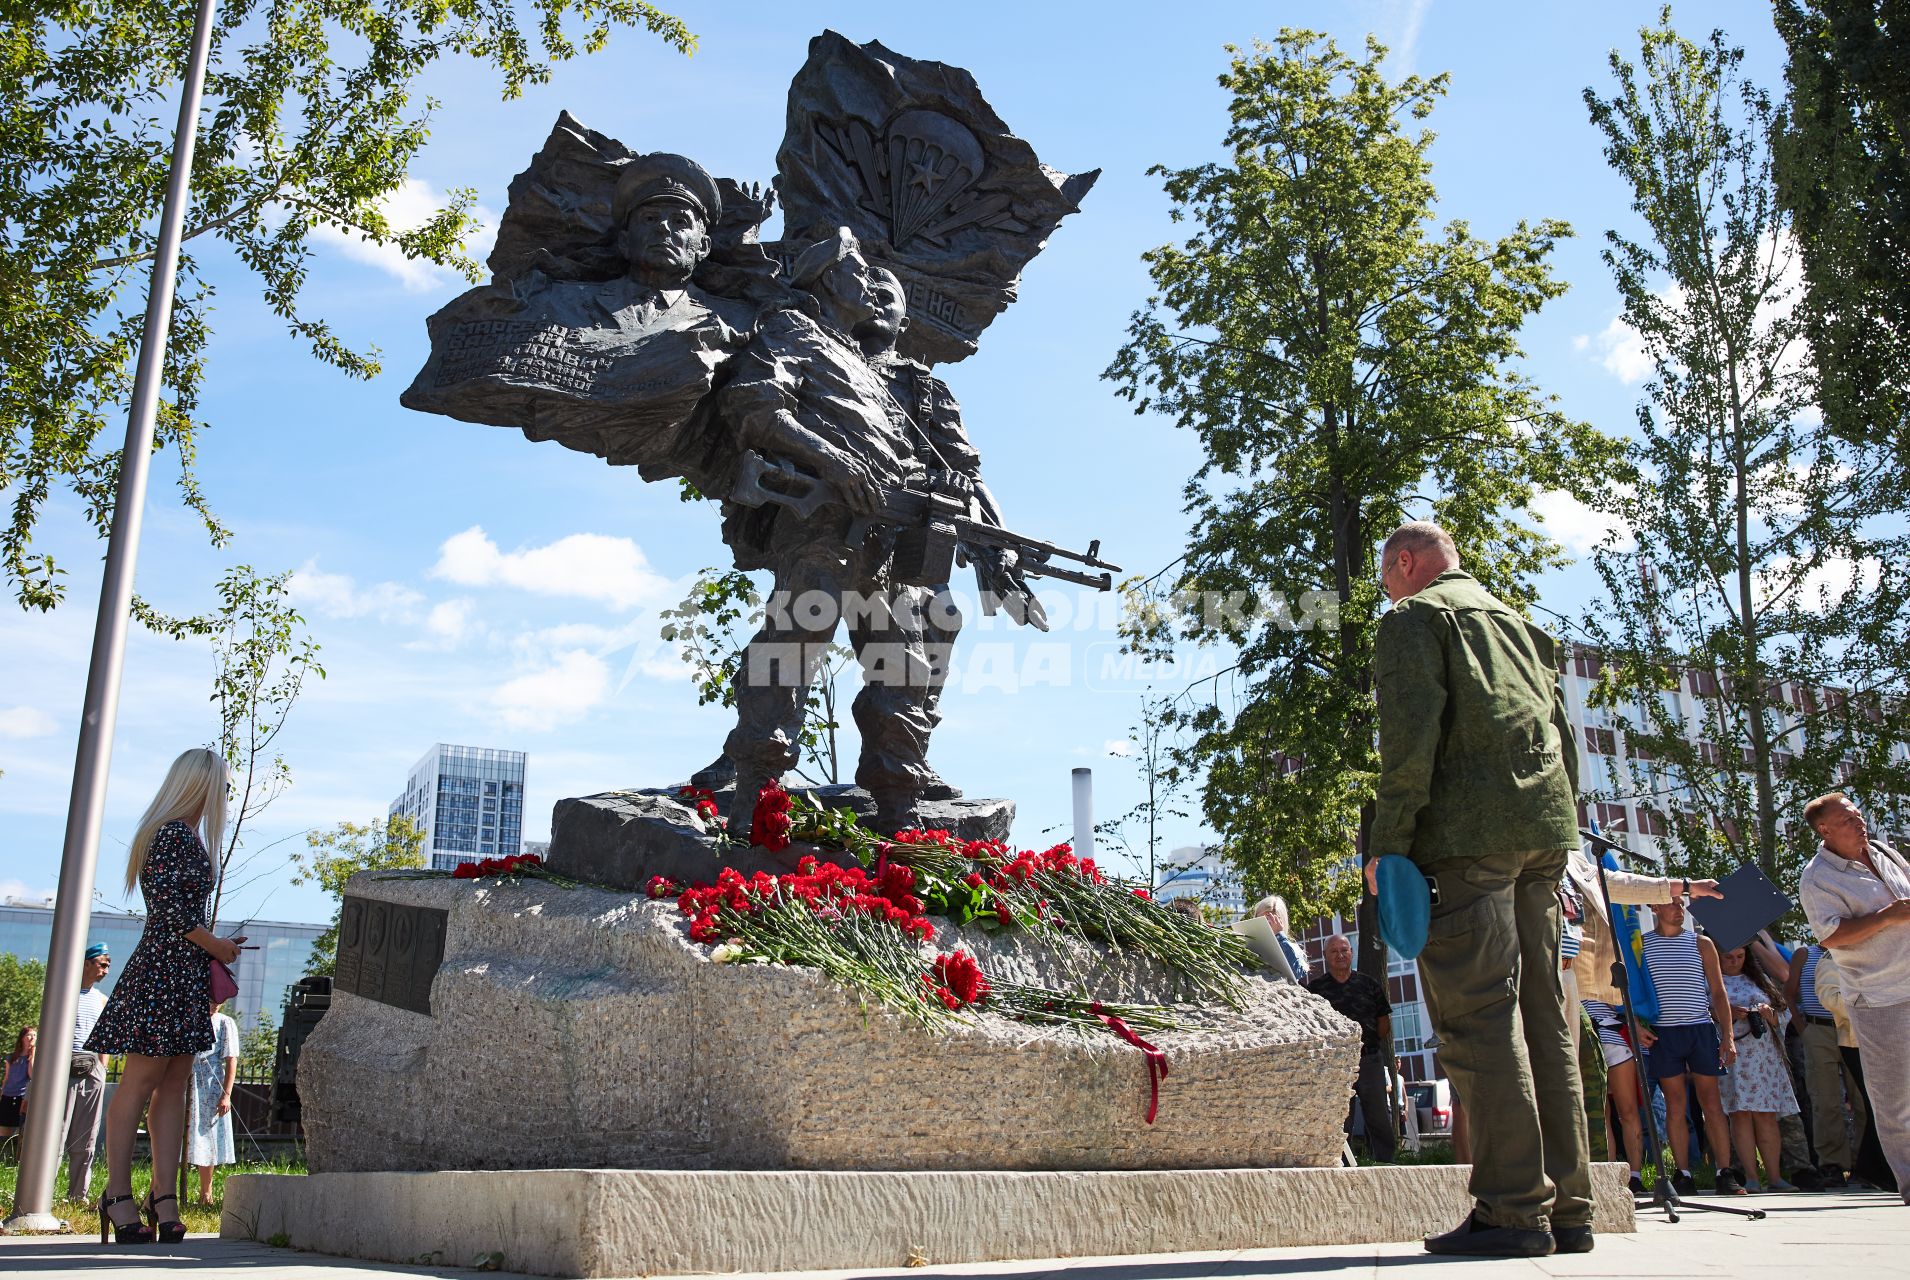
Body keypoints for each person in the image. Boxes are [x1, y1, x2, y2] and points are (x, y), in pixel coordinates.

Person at [1367, 521, 1589, 1257]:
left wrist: (1388, 844)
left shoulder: (1412, 619)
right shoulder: (1520, 625)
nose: (1387, 590)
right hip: (1544, 835)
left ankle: (1513, 1210)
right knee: (1545, 1021)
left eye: (1386, 576)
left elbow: (1409, 741)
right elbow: (1563, 736)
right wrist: (1564, 828)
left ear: (1405, 563)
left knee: (1479, 1023)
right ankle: (1570, 1208)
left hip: (1463, 843)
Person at [84, 747, 245, 1244]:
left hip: (181, 972)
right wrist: (216, 944)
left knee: (174, 1081)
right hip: (163, 972)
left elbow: (177, 911)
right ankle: (116, 1195)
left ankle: (162, 1195)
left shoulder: (183, 833)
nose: (225, 792)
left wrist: (213, 948)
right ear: (199, 784)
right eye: (221, 783)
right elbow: (173, 912)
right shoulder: (172, 833)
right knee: (144, 1078)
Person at [1562, 843, 1723, 1193]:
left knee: (1607, 1103)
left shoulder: (1577, 865)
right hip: (1552, 993)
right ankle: (1572, 1183)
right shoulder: (1523, 866)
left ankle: (1615, 1181)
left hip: (1598, 997)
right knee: (1570, 1100)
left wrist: (1687, 885)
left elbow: (1621, 884)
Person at [1798, 791, 1910, 1202]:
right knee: (1895, 1099)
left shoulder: (1883, 852)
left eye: (1859, 816)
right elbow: (1830, 936)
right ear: (1824, 830)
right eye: (1848, 820)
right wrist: (1889, 916)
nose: (1860, 823)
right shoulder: (1816, 878)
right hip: (1880, 996)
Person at [1637, 899, 1744, 1194]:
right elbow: (1634, 991)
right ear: (1654, 909)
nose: (1678, 909)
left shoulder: (1701, 943)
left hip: (1700, 1028)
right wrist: (1636, 1023)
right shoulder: (1643, 945)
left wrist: (1729, 1036)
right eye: (1669, 905)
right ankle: (1682, 1174)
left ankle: (1725, 1171)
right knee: (1675, 1103)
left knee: (1712, 1101)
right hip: (1664, 1032)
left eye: (1680, 904)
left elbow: (1719, 993)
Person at [1718, 943, 1801, 1191]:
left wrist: (1767, 1014)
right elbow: (1705, 1013)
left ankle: (1775, 1178)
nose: (1734, 961)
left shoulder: (1759, 979)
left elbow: (1783, 1016)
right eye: (1728, 956)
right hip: (1734, 1056)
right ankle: (1752, 1177)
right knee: (1740, 1114)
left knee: (1767, 1115)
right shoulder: (1712, 980)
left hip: (1764, 1057)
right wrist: (1728, 1013)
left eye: (1740, 956)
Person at [1814, 946, 1897, 1191]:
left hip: (1885, 1038)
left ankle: (1873, 1170)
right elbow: (1829, 997)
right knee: (1880, 1107)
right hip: (1855, 1041)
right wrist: (1873, 999)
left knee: (1885, 1107)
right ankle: (1876, 1171)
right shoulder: (1832, 957)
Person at [1307, 934, 1395, 1164]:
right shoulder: (1315, 991)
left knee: (1377, 1114)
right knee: (1339, 1116)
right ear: (1326, 956)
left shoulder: (1369, 984)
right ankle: (1338, 1163)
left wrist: (1369, 1043)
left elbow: (1383, 1022)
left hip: (1368, 1060)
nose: (1340, 955)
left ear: (1351, 953)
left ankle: (1386, 1162)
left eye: (1344, 950)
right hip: (1334, 1066)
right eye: (1334, 951)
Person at [1787, 940, 1863, 1185]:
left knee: (1862, 1098)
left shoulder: (1854, 949)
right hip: (1819, 1029)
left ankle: (1866, 1163)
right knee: (1824, 1099)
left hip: (1853, 1029)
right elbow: (1790, 991)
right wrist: (1803, 1028)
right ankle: (1832, 1163)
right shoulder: (1804, 954)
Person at [61, 941, 112, 1201]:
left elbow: (104, 1038)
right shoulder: (63, 992)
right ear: (86, 963)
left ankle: (78, 1195)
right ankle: (41, 1192)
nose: (106, 970)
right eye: (102, 964)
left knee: (87, 1134)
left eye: (108, 965)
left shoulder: (102, 999)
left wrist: (102, 1067)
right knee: (56, 1131)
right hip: (63, 1064)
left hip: (92, 1065)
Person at [187, 999, 241, 1206]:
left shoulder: (224, 1022)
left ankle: (206, 1192)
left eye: (217, 1001)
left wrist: (226, 1094)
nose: (213, 1005)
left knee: (207, 1136)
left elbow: (231, 1059)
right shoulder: (190, 1019)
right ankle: (159, 1190)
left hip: (211, 1084)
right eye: (209, 1000)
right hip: (187, 1079)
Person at [1246, 894, 1310, 981]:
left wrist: (1279, 935)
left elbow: (1297, 973)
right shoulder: (1251, 944)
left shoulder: (1293, 948)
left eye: (1272, 921)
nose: (1267, 926)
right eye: (1262, 920)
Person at [0, 1025, 33, 1139]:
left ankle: (15, 1155)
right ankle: (4, 1154)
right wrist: (1, 1091)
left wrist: (32, 1054)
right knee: (3, 1128)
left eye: (34, 1035)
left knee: (19, 1130)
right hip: (7, 1095)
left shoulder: (33, 1057)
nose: (32, 1037)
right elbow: (7, 1076)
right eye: (29, 1034)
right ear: (22, 1037)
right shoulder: (11, 1057)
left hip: (22, 1097)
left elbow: (32, 1075)